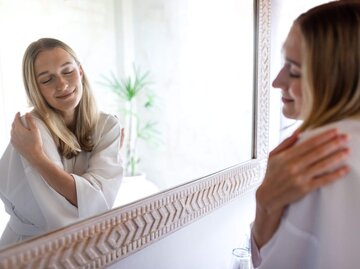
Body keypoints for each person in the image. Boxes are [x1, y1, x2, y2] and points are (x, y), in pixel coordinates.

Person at [251, 1, 360, 268]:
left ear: (338, 77)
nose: (277, 81)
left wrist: (265, 204)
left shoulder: (327, 153)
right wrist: (266, 203)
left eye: (295, 70)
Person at [0, 38, 124, 246]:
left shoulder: (107, 125)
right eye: (47, 80)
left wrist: (37, 158)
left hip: (79, 245)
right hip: (27, 249)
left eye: (67, 71)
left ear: (81, 71)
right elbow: (61, 215)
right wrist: (90, 196)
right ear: (36, 88)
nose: (63, 84)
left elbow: (102, 201)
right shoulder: (31, 129)